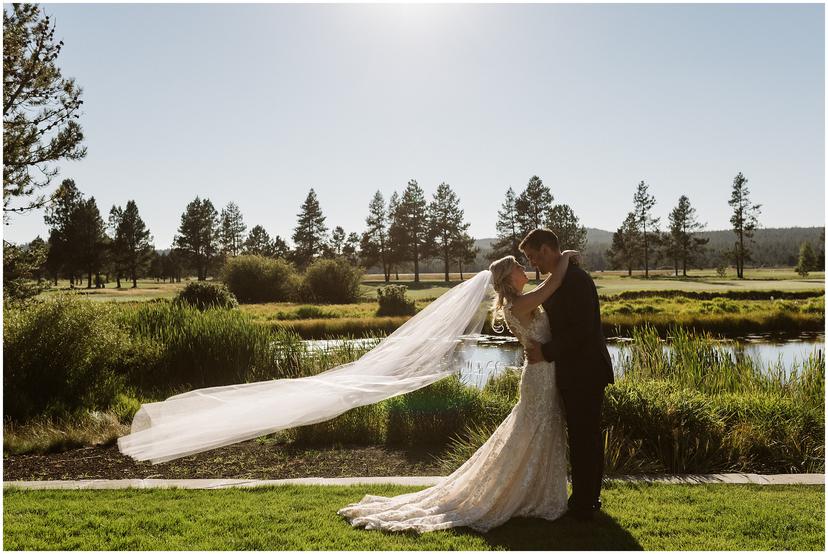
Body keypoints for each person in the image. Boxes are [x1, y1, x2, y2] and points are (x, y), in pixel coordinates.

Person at [337, 249, 579, 533]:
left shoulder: (520, 302)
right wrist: (565, 258)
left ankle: (535, 493)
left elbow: (544, 292)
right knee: (532, 430)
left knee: (538, 431)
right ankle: (520, 495)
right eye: (518, 266)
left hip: (542, 372)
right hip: (539, 377)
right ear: (508, 277)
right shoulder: (519, 305)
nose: (524, 267)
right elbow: (552, 285)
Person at [519, 228, 614, 521]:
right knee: (580, 435)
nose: (533, 263)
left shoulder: (577, 281)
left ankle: (587, 501)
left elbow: (582, 330)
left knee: (586, 436)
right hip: (571, 372)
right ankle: (584, 498)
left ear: (547, 250)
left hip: (586, 371)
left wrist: (546, 352)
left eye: (534, 256)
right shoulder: (560, 278)